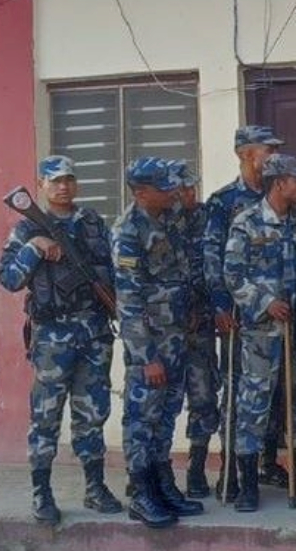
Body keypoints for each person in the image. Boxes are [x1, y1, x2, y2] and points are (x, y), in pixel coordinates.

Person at [0, 155, 122, 525]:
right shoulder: (26, 228)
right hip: (52, 336)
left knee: (94, 413)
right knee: (46, 416)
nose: (63, 186)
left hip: (94, 332)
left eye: (69, 179)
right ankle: (42, 491)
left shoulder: (93, 223)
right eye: (55, 181)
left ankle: (95, 487)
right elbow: (9, 279)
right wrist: (34, 246)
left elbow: (112, 272)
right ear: (42, 186)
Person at [113, 157, 205, 528]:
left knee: (166, 416)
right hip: (149, 345)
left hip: (177, 336)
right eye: (164, 187)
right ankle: (139, 491)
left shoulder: (168, 217)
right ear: (141, 192)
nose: (173, 192)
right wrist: (146, 356)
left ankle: (162, 482)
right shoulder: (128, 231)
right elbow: (129, 302)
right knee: (142, 418)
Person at [223, 154, 296, 512]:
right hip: (261, 334)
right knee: (254, 404)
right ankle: (248, 484)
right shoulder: (245, 223)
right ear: (279, 183)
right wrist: (265, 302)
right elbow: (233, 275)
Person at [202, 125, 286, 499]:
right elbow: (212, 258)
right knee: (238, 393)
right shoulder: (224, 201)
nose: (273, 155)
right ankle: (230, 472)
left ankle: (268, 463)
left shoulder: (277, 196)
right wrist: (220, 305)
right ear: (246, 154)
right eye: (268, 149)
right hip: (239, 315)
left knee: (272, 391)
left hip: (274, 319)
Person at [170, 162, 220, 499]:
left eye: (192, 188)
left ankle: (197, 468)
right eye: (181, 189)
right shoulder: (155, 224)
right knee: (159, 404)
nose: (188, 194)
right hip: (165, 332)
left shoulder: (208, 218)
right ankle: (146, 470)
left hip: (200, 327)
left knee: (203, 398)